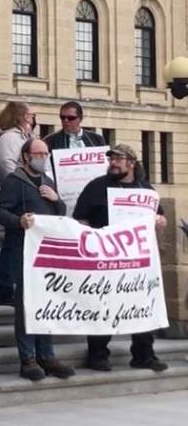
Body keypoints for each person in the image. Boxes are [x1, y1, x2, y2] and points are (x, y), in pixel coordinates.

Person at [72, 144, 169, 373]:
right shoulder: (96, 186)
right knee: (102, 307)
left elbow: (160, 216)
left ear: (131, 163)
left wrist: (160, 221)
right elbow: (80, 219)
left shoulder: (145, 189)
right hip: (104, 260)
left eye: (118, 159)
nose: (113, 163)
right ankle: (97, 354)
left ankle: (144, 355)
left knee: (142, 306)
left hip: (138, 262)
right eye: (111, 159)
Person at [0, 137, 76, 382]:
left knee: (46, 303)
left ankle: (46, 355)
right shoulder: (14, 181)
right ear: (26, 156)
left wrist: (56, 200)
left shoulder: (48, 181)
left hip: (48, 252)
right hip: (23, 251)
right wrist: (18, 221)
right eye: (38, 154)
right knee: (27, 305)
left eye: (46, 153)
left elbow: (60, 213)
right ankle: (27, 358)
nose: (43, 157)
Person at [0, 100, 34, 182]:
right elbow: (6, 164)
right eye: (32, 116)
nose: (33, 120)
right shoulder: (9, 138)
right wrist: (21, 182)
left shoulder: (22, 136)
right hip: (19, 186)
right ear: (25, 116)